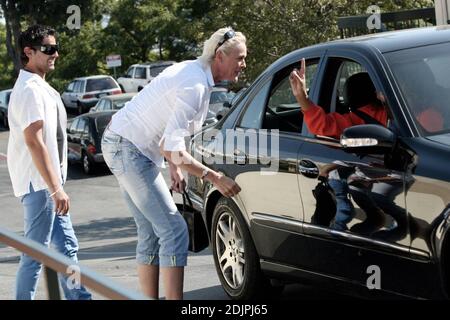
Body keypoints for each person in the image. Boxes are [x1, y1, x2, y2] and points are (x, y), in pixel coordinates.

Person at [101, 27, 245, 300]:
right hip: (129, 149)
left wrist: (175, 167)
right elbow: (170, 146)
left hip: (122, 143)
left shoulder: (193, 71)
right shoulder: (195, 86)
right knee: (174, 230)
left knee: (151, 232)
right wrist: (215, 177)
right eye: (239, 58)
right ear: (220, 56)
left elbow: (168, 132)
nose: (243, 64)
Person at [7, 25, 91, 300]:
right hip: (42, 187)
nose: (55, 53)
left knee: (66, 247)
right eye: (48, 49)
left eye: (56, 48)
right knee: (36, 254)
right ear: (28, 53)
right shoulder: (30, 89)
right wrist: (56, 188)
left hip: (47, 184)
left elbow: (29, 140)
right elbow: (34, 139)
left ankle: (79, 297)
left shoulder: (38, 87)